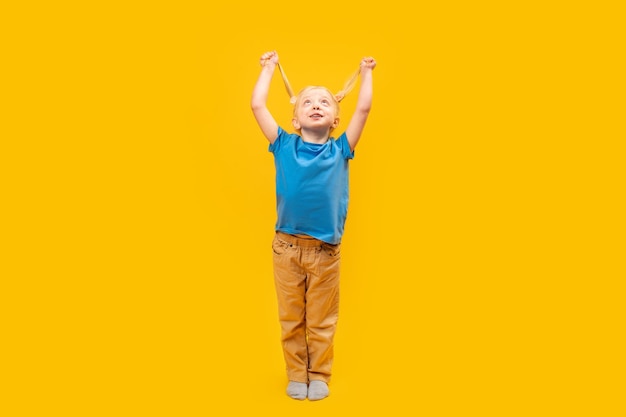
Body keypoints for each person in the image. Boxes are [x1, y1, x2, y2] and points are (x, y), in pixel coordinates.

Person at [251, 50, 376, 401]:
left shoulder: (342, 149)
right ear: (295, 119)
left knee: (321, 321)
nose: (317, 104)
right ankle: (295, 373)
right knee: (292, 319)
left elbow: (363, 109)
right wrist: (268, 69)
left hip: (325, 252)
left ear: (336, 118)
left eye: (324, 101)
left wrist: (365, 74)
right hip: (287, 249)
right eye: (308, 101)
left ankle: (319, 374)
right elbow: (258, 106)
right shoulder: (283, 144)